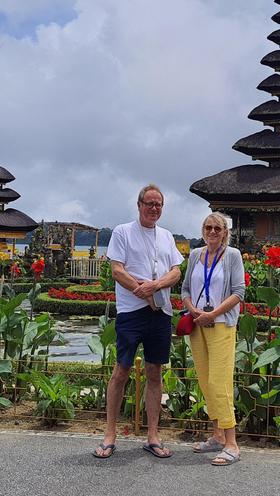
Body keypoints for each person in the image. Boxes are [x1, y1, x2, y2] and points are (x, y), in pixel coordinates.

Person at [92, 184, 184, 459]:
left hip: (161, 314)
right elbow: (117, 271)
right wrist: (141, 291)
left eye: (159, 205)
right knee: (121, 371)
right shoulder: (123, 231)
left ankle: (152, 435)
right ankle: (110, 434)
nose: (154, 209)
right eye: (150, 204)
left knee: (155, 372)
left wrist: (153, 286)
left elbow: (176, 272)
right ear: (139, 204)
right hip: (131, 312)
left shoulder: (167, 236)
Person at [181, 212, 245, 466]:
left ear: (225, 232)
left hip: (221, 325)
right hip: (198, 325)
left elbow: (239, 292)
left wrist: (213, 314)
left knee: (220, 382)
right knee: (206, 382)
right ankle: (218, 435)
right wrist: (194, 310)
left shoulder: (232, 255)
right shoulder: (196, 255)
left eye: (217, 228)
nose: (212, 232)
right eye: (208, 227)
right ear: (203, 230)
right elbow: (186, 289)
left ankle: (232, 444)